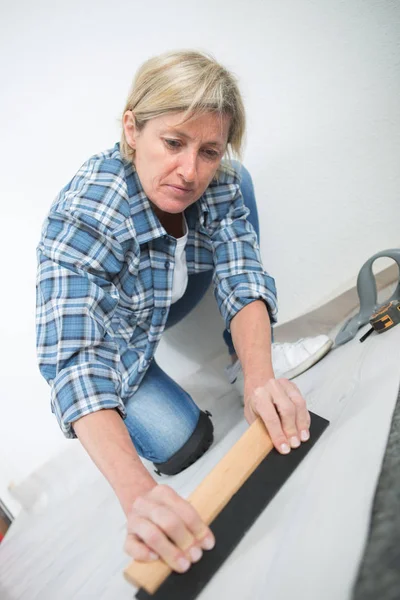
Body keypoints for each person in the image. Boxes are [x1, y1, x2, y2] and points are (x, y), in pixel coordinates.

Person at [35, 49, 332, 575]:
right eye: (173, 143)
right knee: (184, 445)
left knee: (240, 183)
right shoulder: (83, 215)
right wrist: (138, 494)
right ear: (133, 129)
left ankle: (240, 359)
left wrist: (260, 376)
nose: (189, 171)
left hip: (172, 292)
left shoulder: (218, 178)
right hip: (120, 339)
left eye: (209, 151)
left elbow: (241, 272)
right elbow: (75, 358)